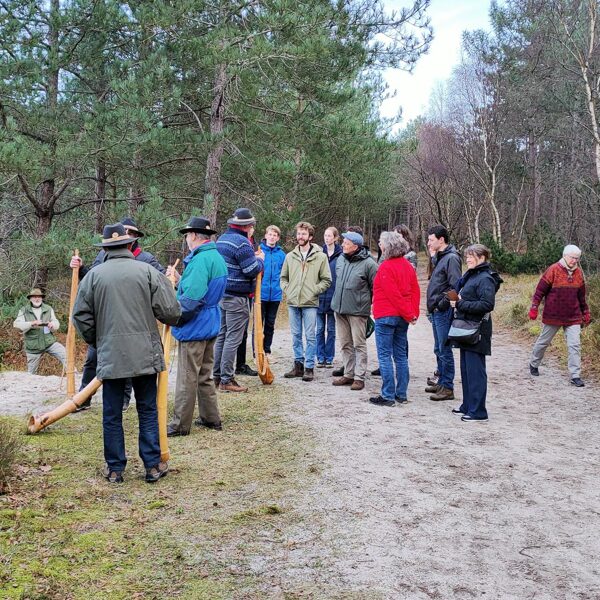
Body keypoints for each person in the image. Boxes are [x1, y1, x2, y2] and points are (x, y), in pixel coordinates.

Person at [72, 223, 181, 484]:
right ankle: (153, 466)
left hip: (111, 355)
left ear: (106, 248)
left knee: (111, 414)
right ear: (129, 245)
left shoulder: (94, 276)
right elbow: (171, 312)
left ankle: (115, 469)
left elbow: (81, 316)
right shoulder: (147, 272)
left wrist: (99, 341)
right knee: (147, 409)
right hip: (145, 354)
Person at [69, 217, 165, 411]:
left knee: (129, 365)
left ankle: (123, 400)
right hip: (105, 322)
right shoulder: (103, 256)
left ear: (135, 238)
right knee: (92, 360)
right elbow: (91, 280)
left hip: (134, 322)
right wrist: (80, 269)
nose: (127, 236)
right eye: (125, 231)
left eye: (130, 233)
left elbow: (162, 282)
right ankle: (84, 398)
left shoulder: (146, 260)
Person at [166, 217, 228, 437]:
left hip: (196, 325)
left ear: (193, 236)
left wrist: (174, 316)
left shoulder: (201, 260)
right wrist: (180, 279)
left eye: (187, 236)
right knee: (204, 374)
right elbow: (204, 289)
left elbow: (191, 301)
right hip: (210, 322)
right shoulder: (215, 257)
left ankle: (180, 425)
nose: (186, 240)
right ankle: (211, 418)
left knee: (187, 376)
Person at [448, 244, 503, 422]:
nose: (468, 259)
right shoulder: (472, 275)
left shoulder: (485, 278)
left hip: (478, 329)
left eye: (471, 256)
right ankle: (468, 405)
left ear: (482, 257)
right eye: (467, 256)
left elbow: (487, 305)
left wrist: (460, 304)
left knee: (476, 371)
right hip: (467, 327)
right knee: (466, 370)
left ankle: (478, 411)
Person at [214, 208, 264, 392]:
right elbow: (251, 270)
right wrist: (260, 260)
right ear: (247, 226)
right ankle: (226, 380)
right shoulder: (242, 243)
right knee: (233, 338)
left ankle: (217, 376)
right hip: (237, 297)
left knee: (222, 336)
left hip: (222, 294)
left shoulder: (222, 239)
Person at [369, 232, 420, 406]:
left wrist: (409, 314)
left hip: (386, 316)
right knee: (400, 356)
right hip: (401, 317)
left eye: (382, 243)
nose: (380, 245)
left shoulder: (385, 267)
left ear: (388, 246)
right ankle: (401, 394)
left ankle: (388, 395)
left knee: (384, 356)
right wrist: (412, 313)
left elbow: (394, 295)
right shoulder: (407, 266)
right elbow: (415, 291)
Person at [528, 244, 591, 387]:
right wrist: (534, 307)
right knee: (544, 341)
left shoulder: (579, 273)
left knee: (575, 345)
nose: (575, 261)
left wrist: (585, 312)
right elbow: (539, 291)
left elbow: (582, 297)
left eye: (577, 258)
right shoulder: (553, 270)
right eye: (572, 258)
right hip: (553, 315)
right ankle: (534, 363)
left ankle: (575, 375)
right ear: (565, 256)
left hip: (573, 316)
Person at [280, 221, 332, 382]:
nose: (300, 236)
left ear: (310, 236)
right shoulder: (290, 256)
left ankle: (309, 367)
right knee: (296, 335)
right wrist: (288, 290)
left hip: (310, 303)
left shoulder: (320, 257)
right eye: (298, 233)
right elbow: (283, 278)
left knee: (310, 335)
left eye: (303, 234)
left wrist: (313, 291)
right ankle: (298, 365)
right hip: (293, 302)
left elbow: (326, 280)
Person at [330, 231, 378, 391]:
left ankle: (359, 377)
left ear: (355, 246)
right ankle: (348, 374)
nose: (343, 244)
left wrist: (366, 304)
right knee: (345, 343)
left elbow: (375, 288)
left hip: (358, 312)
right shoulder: (341, 259)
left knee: (359, 344)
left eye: (346, 242)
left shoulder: (369, 264)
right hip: (340, 308)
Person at [425, 225, 462, 401]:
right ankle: (441, 382)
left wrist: (441, 304)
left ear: (441, 240)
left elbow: (455, 285)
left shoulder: (452, 258)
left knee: (444, 349)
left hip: (443, 311)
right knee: (438, 348)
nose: (428, 243)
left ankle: (448, 387)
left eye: (431, 239)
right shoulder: (440, 257)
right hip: (435, 310)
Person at [13, 289, 67, 374]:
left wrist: (52, 325)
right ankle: (31, 386)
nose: (37, 299)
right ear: (30, 299)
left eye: (39, 297)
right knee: (31, 373)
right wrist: (31, 323)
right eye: (34, 297)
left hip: (49, 342)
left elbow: (56, 323)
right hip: (33, 346)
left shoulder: (48, 309)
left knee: (66, 355)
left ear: (42, 298)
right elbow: (17, 324)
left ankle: (74, 376)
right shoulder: (24, 310)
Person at [316, 227, 342, 367]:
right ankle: (320, 357)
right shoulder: (319, 253)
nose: (327, 238)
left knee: (331, 330)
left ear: (335, 238)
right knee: (319, 329)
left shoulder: (341, 254)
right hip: (319, 297)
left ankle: (330, 357)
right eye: (325, 235)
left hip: (333, 297)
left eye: (330, 236)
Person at [259, 225, 286, 355]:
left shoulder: (281, 255)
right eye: (270, 234)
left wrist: (282, 287)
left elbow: (285, 273)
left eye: (275, 235)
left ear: (278, 238)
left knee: (270, 324)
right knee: (259, 324)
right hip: (261, 294)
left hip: (275, 294)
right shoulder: (259, 251)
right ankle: (257, 350)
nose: (272, 237)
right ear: (266, 236)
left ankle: (267, 350)